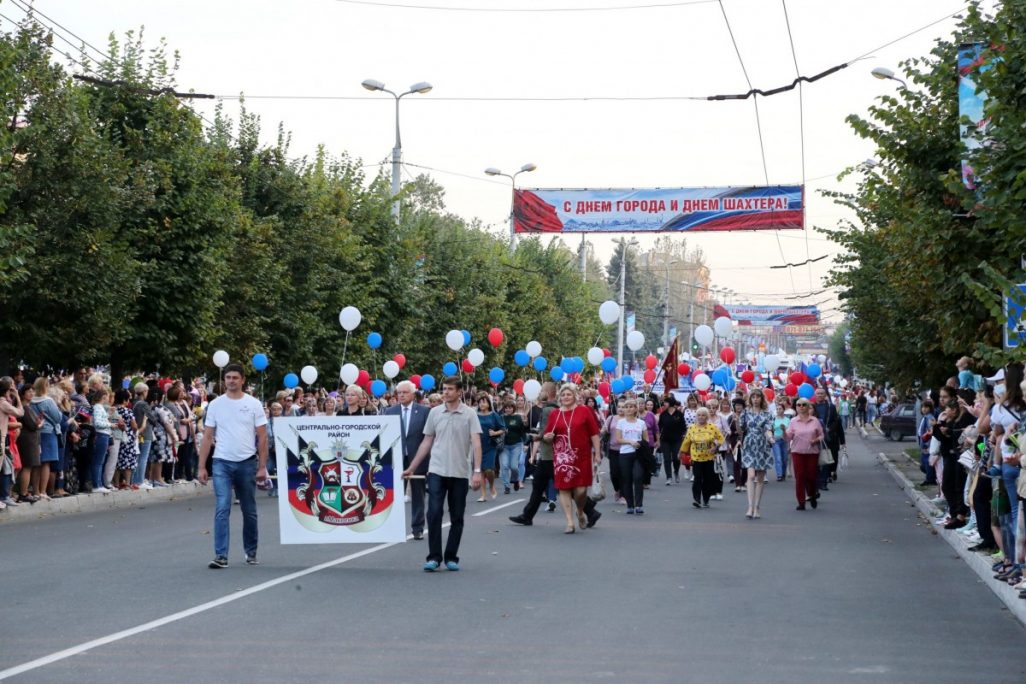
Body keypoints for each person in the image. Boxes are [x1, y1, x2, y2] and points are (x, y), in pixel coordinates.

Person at [403, 376, 482, 572]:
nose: (445, 392)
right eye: (444, 389)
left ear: (459, 392)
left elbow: (477, 444)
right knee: (434, 512)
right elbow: (426, 442)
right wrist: (412, 467)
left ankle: (451, 557)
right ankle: (434, 557)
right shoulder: (435, 413)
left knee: (457, 516)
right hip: (437, 469)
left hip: (460, 472)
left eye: (450, 389)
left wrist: (477, 471)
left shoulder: (469, 414)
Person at [197, 363, 269, 569]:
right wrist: (202, 466)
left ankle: (251, 551)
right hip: (221, 462)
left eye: (235, 377)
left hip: (246, 462)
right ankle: (221, 555)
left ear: (243, 380)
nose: (231, 381)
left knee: (249, 510)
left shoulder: (253, 404)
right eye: (228, 377)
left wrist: (262, 466)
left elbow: (262, 436)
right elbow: (208, 436)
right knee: (222, 507)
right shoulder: (216, 405)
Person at [545, 383, 602, 530]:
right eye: (563, 395)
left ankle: (580, 511)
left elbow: (594, 433)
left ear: (575, 396)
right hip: (562, 456)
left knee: (581, 490)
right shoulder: (555, 414)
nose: (565, 397)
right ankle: (570, 522)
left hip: (581, 456)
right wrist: (548, 437)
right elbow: (547, 435)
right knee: (564, 488)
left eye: (569, 394)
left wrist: (597, 453)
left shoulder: (584, 411)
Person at [509, 382, 563, 527]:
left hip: (548, 454)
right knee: (539, 485)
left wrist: (534, 437)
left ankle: (589, 509)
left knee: (563, 487)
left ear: (548, 392)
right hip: (553, 453)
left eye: (541, 390)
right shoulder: (557, 409)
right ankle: (527, 515)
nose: (539, 393)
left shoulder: (547, 410)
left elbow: (547, 432)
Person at [384, 380, 430, 540]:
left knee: (418, 494)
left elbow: (428, 437)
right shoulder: (389, 412)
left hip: (417, 458)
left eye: (405, 392)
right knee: (394, 493)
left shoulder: (424, 412)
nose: (401, 395)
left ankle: (417, 527)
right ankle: (392, 527)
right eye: (399, 393)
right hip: (396, 459)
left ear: (413, 394)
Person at [740, 389, 774, 519]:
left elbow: (768, 429)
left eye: (757, 397)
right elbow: (741, 429)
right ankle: (750, 506)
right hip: (749, 444)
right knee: (751, 475)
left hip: (762, 445)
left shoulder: (767, 414)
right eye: (753, 397)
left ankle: (757, 507)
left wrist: (770, 438)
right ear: (750, 399)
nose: (755, 399)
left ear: (761, 399)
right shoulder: (745, 412)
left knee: (760, 478)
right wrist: (737, 421)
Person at [680, 407, 724, 509]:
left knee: (708, 479)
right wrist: (681, 452)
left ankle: (706, 499)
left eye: (703, 415)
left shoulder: (712, 427)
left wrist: (716, 447)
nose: (701, 417)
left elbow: (721, 438)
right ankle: (697, 499)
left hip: (709, 457)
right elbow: (686, 441)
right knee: (697, 478)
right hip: (696, 458)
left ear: (707, 416)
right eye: (699, 415)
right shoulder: (692, 428)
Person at [786, 398, 824, 511]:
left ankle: (812, 495)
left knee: (811, 476)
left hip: (812, 452)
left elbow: (822, 435)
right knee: (800, 477)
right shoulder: (793, 421)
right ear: (796, 407)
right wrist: (784, 432)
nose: (801, 407)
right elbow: (788, 437)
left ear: (808, 407)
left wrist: (816, 440)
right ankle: (801, 502)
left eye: (804, 405)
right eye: (798, 405)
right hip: (797, 452)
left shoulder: (815, 420)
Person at [615, 398, 648, 516]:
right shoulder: (621, 423)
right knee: (627, 479)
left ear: (635, 409)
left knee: (638, 477)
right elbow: (618, 439)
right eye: (626, 407)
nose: (628, 409)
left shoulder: (641, 423)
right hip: (625, 453)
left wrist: (641, 443)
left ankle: (639, 505)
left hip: (638, 454)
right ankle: (630, 505)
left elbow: (646, 439)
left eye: (631, 407)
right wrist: (630, 442)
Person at [814, 387, 846, 489]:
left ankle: (827, 477)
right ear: (815, 395)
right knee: (817, 459)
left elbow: (837, 422)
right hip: (816, 437)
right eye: (818, 394)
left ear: (825, 395)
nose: (819, 395)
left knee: (828, 457)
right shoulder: (812, 407)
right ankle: (820, 479)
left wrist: (842, 440)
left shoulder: (831, 407)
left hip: (829, 437)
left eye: (821, 394)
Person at [475, 395, 505, 502]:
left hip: (490, 445)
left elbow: (503, 429)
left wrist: (495, 432)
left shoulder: (494, 415)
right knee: (481, 470)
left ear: (489, 404)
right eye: (480, 402)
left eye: (484, 402)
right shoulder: (475, 416)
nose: (482, 404)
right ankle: (483, 495)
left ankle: (492, 485)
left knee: (489, 469)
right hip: (478, 445)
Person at [499, 401, 526, 493]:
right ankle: (506, 486)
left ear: (513, 408)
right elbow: (496, 429)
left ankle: (515, 480)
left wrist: (525, 443)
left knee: (514, 466)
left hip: (516, 445)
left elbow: (522, 431)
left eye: (510, 407)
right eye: (506, 407)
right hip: (504, 446)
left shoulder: (518, 417)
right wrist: (501, 431)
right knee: (504, 465)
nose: (508, 409)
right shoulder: (501, 418)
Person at [658, 396, 685, 485]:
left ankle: (676, 472)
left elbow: (683, 427)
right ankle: (668, 477)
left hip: (677, 439)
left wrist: (683, 435)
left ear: (670, 403)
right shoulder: (663, 414)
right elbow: (659, 427)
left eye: (666, 402)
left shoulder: (679, 414)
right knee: (666, 458)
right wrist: (658, 438)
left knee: (676, 458)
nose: (664, 404)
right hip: (665, 439)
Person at [772, 402, 791, 482]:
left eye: (780, 409)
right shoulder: (774, 419)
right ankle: (779, 474)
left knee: (785, 458)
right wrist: (771, 437)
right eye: (777, 409)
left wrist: (784, 429)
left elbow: (790, 431)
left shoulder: (787, 419)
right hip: (776, 440)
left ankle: (783, 473)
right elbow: (771, 429)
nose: (778, 410)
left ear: (784, 410)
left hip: (785, 440)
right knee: (778, 457)